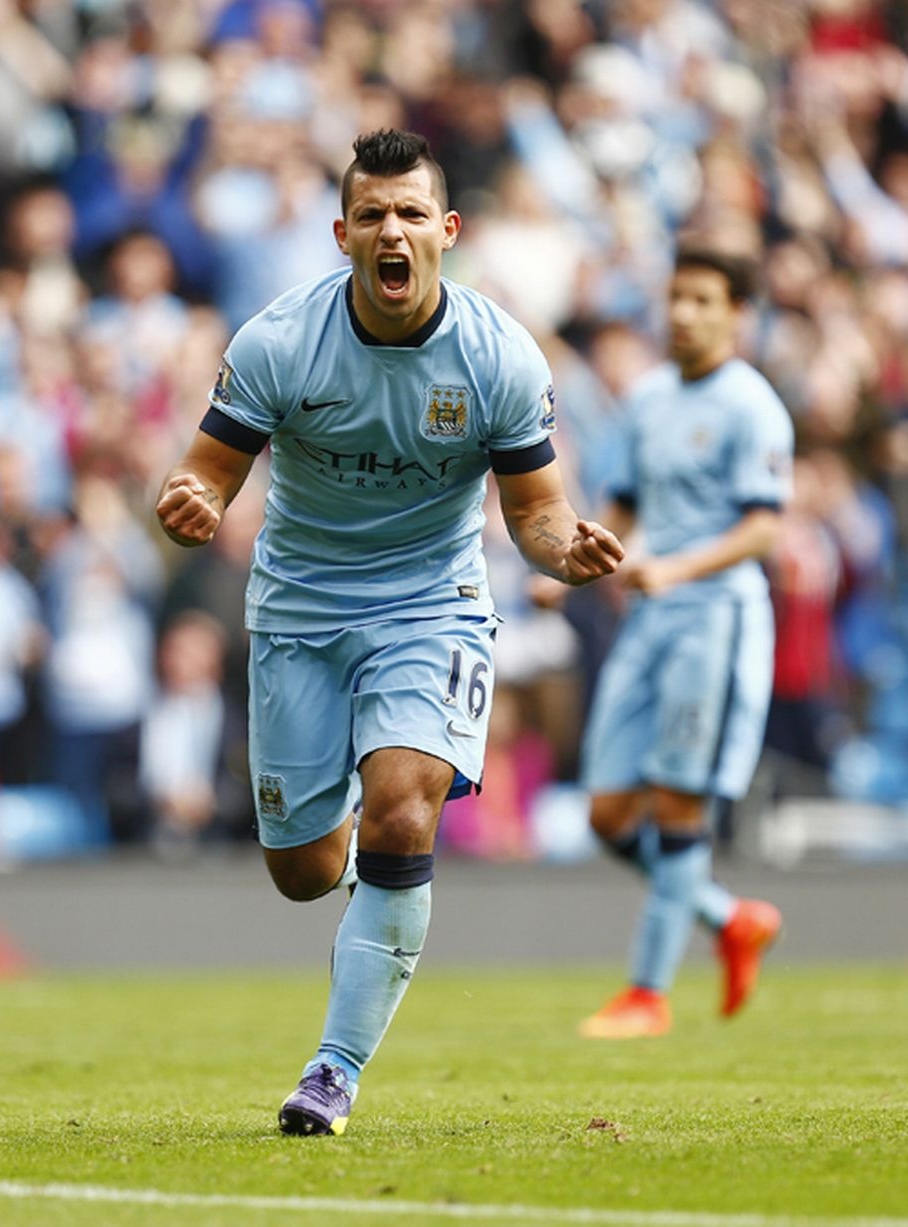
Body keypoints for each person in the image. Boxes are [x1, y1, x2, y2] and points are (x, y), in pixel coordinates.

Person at [154, 130, 623, 1136]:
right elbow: (207, 474)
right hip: (298, 611)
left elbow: (534, 513)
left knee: (404, 813)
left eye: (411, 213)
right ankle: (370, 887)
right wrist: (189, 501)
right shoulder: (279, 343)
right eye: (371, 215)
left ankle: (332, 1072)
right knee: (304, 872)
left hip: (431, 604)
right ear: (342, 235)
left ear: (446, 232)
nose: (392, 231)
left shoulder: (498, 356)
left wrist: (563, 550)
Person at [572, 248, 791, 1039]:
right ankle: (729, 917)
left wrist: (677, 567)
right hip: (651, 613)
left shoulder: (753, 407)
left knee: (675, 804)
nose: (684, 314)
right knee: (605, 812)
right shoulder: (649, 396)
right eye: (676, 298)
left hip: (715, 618)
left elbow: (765, 527)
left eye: (703, 299)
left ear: (738, 313)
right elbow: (624, 502)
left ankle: (648, 993)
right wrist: (572, 562)